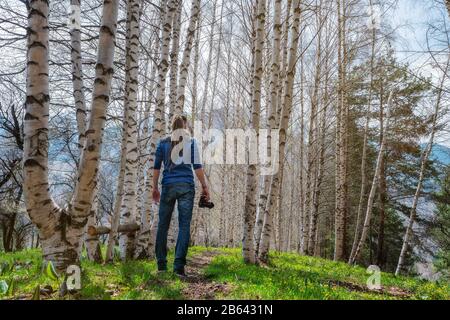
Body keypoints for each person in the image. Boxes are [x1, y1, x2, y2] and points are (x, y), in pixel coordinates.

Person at [152, 114, 210, 276]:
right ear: (184, 126)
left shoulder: (163, 143)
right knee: (184, 225)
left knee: (163, 224)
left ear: (172, 126)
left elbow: (156, 168)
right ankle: (178, 267)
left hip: (168, 186)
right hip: (186, 186)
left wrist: (154, 188)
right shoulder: (191, 142)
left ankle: (161, 266)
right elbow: (197, 167)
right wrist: (204, 186)